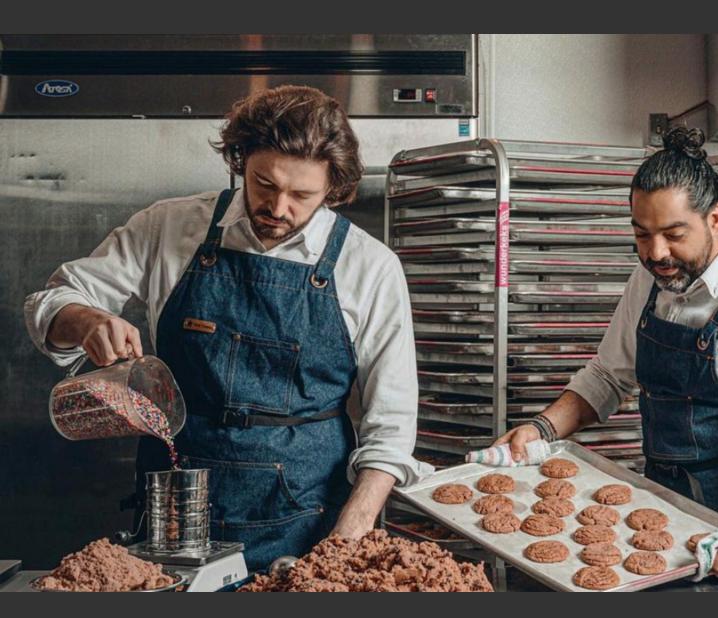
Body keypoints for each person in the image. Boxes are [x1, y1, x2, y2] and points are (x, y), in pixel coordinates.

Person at [25, 85, 431, 570]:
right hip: (175, 513)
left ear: (333, 188)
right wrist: (86, 320)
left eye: (302, 195)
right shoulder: (169, 227)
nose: (278, 208)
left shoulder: (370, 266)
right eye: (264, 183)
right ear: (241, 160)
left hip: (307, 521)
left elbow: (391, 425)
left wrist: (349, 536)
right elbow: (51, 302)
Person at [496, 128, 718, 575]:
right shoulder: (650, 281)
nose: (657, 252)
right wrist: (541, 428)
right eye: (642, 235)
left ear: (715, 219)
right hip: (666, 519)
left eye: (674, 234)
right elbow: (607, 375)